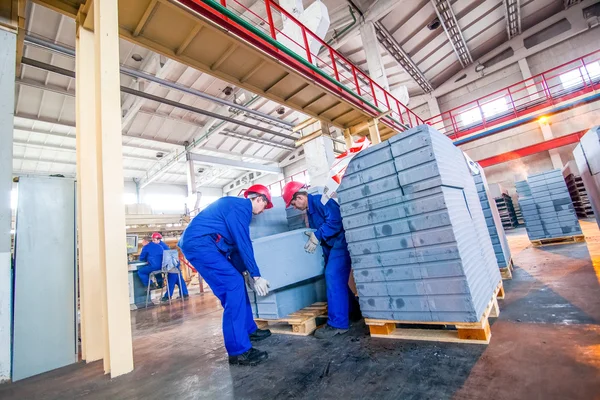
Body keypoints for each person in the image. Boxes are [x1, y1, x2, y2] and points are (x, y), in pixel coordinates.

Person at [178, 184, 273, 366]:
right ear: (259, 198)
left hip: (205, 245)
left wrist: (246, 272)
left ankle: (247, 329)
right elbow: (243, 243)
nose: (262, 211)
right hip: (201, 244)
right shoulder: (241, 208)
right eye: (264, 206)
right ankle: (239, 350)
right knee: (233, 286)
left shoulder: (235, 209)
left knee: (237, 282)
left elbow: (235, 248)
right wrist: (256, 275)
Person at [282, 181, 359, 339]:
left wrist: (317, 235)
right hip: (331, 246)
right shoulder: (310, 210)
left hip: (341, 243)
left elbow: (336, 221)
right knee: (335, 279)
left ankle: (338, 324)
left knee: (333, 276)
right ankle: (354, 310)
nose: (294, 207)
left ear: (300, 197)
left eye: (294, 202)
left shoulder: (320, 200)